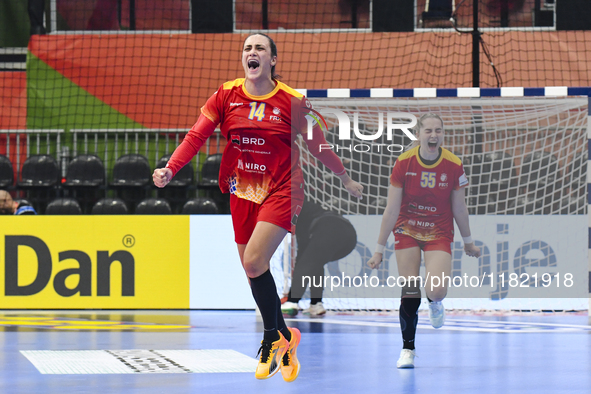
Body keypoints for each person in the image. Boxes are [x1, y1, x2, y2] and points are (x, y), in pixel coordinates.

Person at [153, 33, 363, 381]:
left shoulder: (293, 101)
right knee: (253, 271)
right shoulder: (226, 94)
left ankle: (269, 338)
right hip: (243, 189)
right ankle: (286, 336)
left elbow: (319, 145)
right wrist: (171, 168)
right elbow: (196, 136)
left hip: (283, 187)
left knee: (254, 260)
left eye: (259, 48)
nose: (252, 53)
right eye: (247, 48)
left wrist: (344, 177)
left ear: (272, 60)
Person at [366, 113, 480, 369]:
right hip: (406, 229)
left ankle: (435, 303)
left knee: (437, 289)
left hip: (439, 231)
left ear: (442, 134)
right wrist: (378, 250)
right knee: (409, 291)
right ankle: (408, 349)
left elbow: (460, 208)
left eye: (438, 130)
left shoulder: (453, 164)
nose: (433, 135)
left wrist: (469, 242)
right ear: (418, 135)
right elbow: (391, 210)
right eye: (428, 130)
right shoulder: (404, 163)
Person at [282, 199, 357, 317]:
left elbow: (302, 259)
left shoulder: (296, 213)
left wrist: (292, 295)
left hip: (329, 228)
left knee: (306, 262)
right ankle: (316, 304)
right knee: (315, 263)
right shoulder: (308, 208)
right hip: (349, 236)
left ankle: (292, 302)